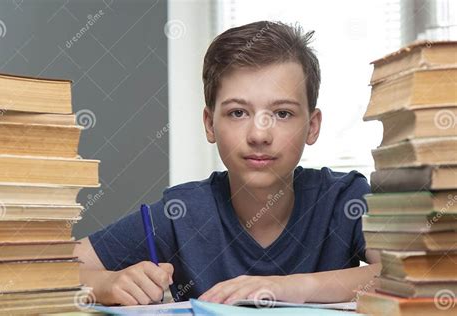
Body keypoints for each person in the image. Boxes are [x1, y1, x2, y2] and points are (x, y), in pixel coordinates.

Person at [74, 20, 380, 306]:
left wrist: (286, 288)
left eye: (282, 113)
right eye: (238, 112)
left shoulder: (345, 199)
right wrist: (106, 284)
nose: (259, 134)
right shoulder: (180, 214)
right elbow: (55, 267)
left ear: (312, 126)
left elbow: (412, 275)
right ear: (209, 124)